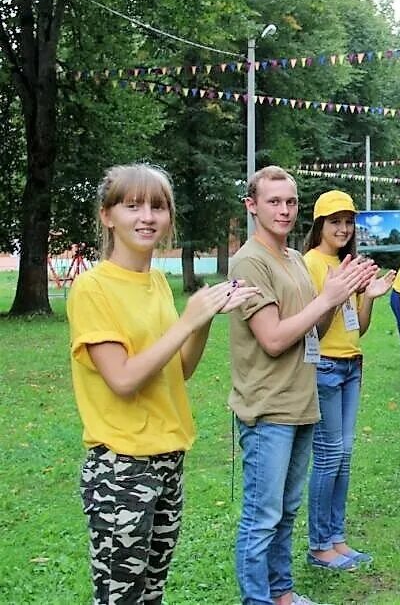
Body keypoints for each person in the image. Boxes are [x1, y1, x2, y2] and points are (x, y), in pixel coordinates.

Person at [69, 164, 258, 605]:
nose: (147, 216)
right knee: (121, 598)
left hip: (167, 459)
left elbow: (180, 370)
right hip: (121, 468)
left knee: (152, 591)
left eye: (158, 206)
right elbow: (122, 379)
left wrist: (204, 321)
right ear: (107, 215)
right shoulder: (92, 288)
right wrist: (187, 319)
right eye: (132, 205)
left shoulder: (155, 281)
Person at [228, 166, 376, 604]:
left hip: (302, 400)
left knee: (287, 511)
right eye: (274, 201)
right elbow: (273, 338)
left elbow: (315, 329)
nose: (284, 210)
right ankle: (258, 600)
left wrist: (339, 295)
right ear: (252, 205)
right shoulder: (248, 260)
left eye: (290, 202)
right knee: (262, 515)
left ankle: (282, 594)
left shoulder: (293, 259)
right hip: (267, 407)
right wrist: (326, 299)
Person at [303, 191, 395, 570]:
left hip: (351, 365)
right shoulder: (310, 264)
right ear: (319, 225)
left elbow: (358, 326)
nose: (342, 228)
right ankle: (319, 545)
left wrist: (369, 295)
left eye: (348, 221)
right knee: (328, 457)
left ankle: (337, 538)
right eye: (334, 221)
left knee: (344, 456)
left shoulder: (349, 263)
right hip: (323, 366)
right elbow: (314, 328)